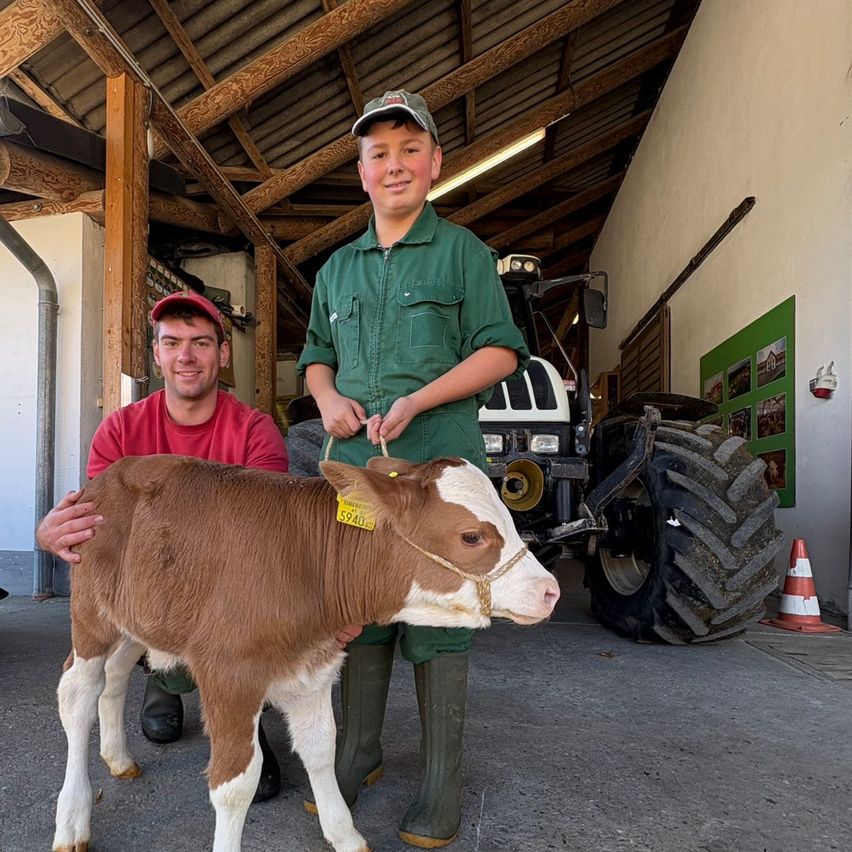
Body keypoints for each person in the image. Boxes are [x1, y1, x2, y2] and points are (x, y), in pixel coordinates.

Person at [296, 89, 530, 848]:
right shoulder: (336, 269)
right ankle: (359, 752)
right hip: (359, 472)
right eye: (377, 154)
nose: (393, 165)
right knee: (360, 607)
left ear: (434, 164)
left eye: (408, 150)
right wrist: (328, 398)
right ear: (360, 173)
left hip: (440, 472)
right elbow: (314, 358)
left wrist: (418, 401)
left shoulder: (465, 253)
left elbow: (499, 350)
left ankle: (441, 778)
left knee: (443, 616)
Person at [37, 289, 360, 802]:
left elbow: (265, 547)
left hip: (229, 597)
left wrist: (326, 602)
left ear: (223, 353)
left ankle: (243, 727)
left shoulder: (255, 431)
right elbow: (106, 529)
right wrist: (48, 533)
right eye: (172, 343)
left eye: (201, 342)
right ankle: (165, 682)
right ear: (157, 353)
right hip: (157, 589)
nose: (186, 356)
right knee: (142, 643)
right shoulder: (120, 429)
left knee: (248, 636)